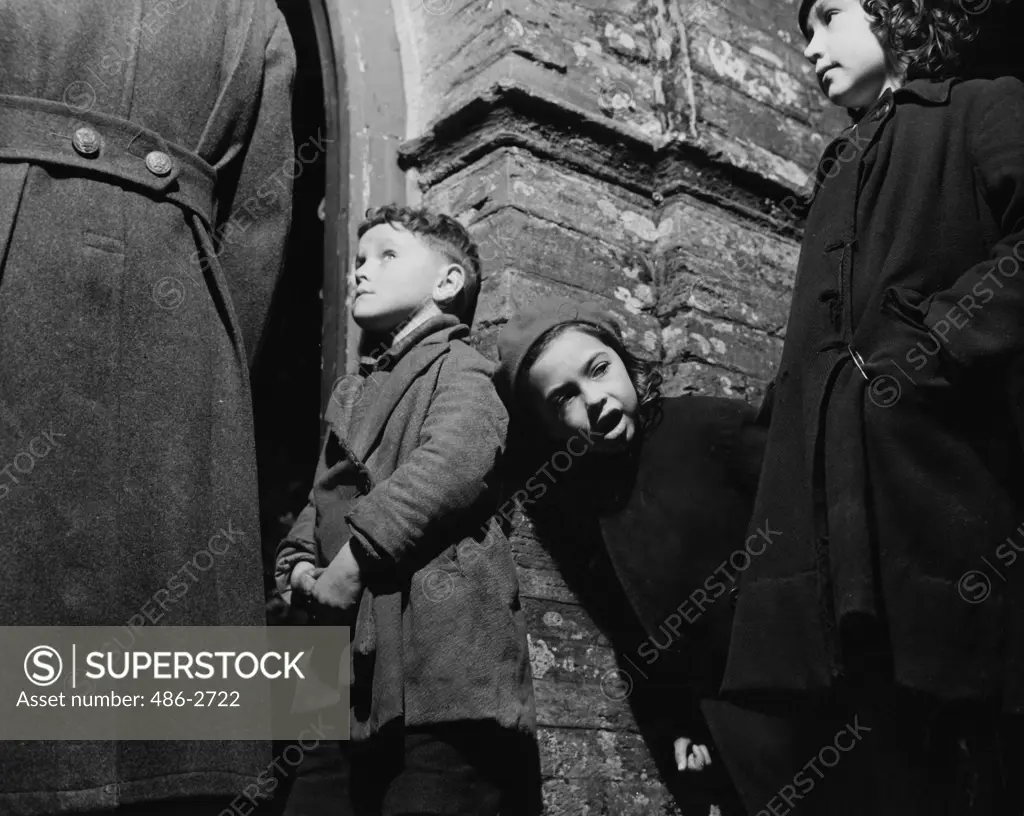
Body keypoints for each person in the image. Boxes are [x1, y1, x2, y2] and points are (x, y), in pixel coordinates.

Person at [715, 1, 1024, 813]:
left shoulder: (983, 106)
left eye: (826, 16)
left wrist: (937, 346)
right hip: (840, 536)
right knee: (884, 759)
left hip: (951, 505)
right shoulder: (839, 165)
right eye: (801, 34)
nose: (811, 48)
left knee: (983, 751)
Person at [0, 1, 295, 814]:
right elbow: (261, 223)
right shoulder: (255, 16)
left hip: (15, 263)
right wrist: (215, 380)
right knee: (165, 717)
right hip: (179, 323)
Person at [275, 205, 537, 816]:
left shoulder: (464, 365)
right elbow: (320, 501)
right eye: (358, 260)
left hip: (436, 657)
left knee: (431, 790)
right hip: (332, 665)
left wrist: (354, 561)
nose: (361, 272)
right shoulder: (352, 392)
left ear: (448, 283)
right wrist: (296, 568)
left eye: (387, 255)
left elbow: (452, 463)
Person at [494, 299, 767, 815]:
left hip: (807, 688)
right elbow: (636, 636)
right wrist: (683, 722)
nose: (595, 399)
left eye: (599, 369)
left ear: (624, 359)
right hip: (728, 730)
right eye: (564, 400)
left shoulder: (714, 428)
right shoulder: (584, 518)